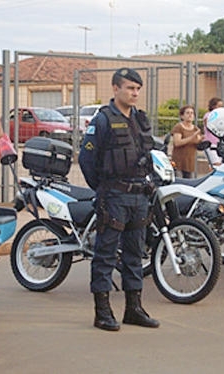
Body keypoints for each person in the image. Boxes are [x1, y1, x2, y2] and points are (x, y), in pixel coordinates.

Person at [78, 67, 159, 331]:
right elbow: (87, 160)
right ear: (115, 89)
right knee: (106, 254)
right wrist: (103, 189)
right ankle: (102, 312)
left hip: (139, 197)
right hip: (113, 197)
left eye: (138, 89)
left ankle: (133, 309)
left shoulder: (140, 119)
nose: (134, 93)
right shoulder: (102, 120)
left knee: (135, 253)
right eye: (129, 88)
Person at [171, 105, 203, 178]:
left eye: (192, 113)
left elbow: (197, 143)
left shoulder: (195, 129)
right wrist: (192, 137)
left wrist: (201, 140)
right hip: (179, 162)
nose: (190, 115)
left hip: (190, 163)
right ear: (182, 116)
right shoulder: (178, 127)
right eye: (187, 113)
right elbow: (177, 142)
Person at [203, 97, 223, 166]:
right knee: (215, 163)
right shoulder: (208, 115)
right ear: (213, 106)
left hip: (218, 143)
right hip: (211, 143)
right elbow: (209, 126)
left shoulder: (221, 116)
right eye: (219, 106)